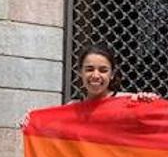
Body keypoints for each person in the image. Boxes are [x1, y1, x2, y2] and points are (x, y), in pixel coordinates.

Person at [19, 44, 155, 128]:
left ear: (112, 74)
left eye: (103, 70)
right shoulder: (71, 109)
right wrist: (32, 121)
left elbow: (155, 128)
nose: (95, 75)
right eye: (89, 69)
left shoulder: (129, 102)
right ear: (80, 72)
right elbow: (51, 133)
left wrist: (150, 103)